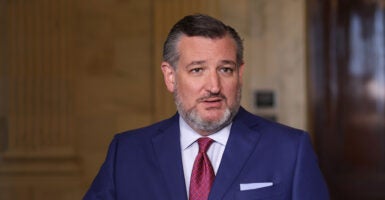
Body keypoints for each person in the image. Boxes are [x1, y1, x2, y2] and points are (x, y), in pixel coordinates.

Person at [83, 14, 329, 200]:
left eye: (225, 69)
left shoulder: (291, 150)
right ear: (170, 76)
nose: (213, 86)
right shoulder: (127, 153)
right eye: (197, 70)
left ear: (240, 74)